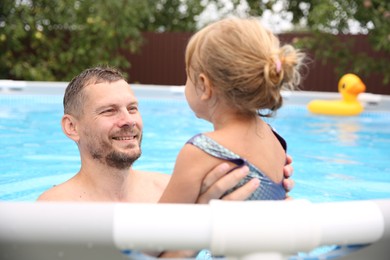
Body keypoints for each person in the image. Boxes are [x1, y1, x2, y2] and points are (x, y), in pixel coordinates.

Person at [37, 66, 295, 257]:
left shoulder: (170, 188)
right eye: (109, 110)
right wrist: (199, 230)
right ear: (72, 127)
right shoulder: (55, 210)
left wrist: (266, 188)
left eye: (133, 108)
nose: (129, 120)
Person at [159, 17, 304, 204]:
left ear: (204, 85)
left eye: (187, 74)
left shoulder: (200, 152)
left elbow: (159, 226)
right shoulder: (275, 139)